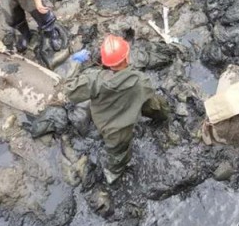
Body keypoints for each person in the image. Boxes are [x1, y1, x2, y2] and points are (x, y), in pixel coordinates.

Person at [65, 35, 169, 183]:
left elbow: (70, 90)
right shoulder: (140, 81)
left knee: (116, 149)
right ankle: (113, 173)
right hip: (120, 128)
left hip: (103, 122)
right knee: (119, 152)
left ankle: (112, 173)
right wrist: (163, 114)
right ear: (126, 57)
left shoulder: (94, 79)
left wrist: (75, 64)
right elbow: (151, 103)